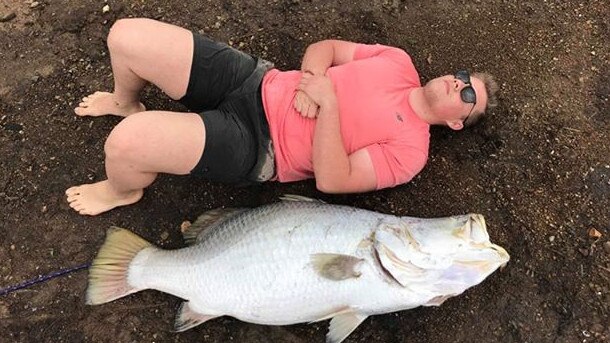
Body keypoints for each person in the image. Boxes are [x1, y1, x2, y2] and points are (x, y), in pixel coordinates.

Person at [65, 18, 498, 216]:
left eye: (465, 94)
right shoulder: (398, 62)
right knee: (126, 36)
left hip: (258, 145)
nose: (454, 83)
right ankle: (126, 99)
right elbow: (325, 48)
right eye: (462, 76)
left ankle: (121, 193)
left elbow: (334, 180)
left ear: (457, 122)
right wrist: (312, 76)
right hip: (255, 80)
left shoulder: (409, 154)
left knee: (125, 145)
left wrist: (327, 104)